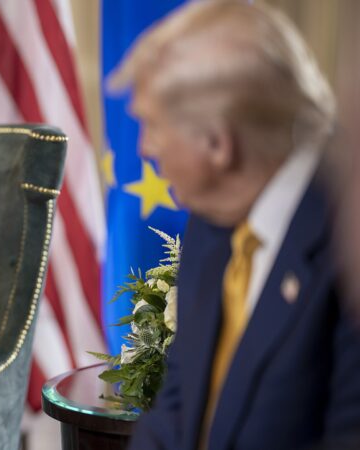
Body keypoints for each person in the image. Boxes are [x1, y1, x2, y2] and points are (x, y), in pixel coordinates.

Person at [108, 1, 360, 449]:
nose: (144, 149)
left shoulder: (346, 238)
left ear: (217, 143)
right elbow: (177, 409)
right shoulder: (215, 219)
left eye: (152, 125)